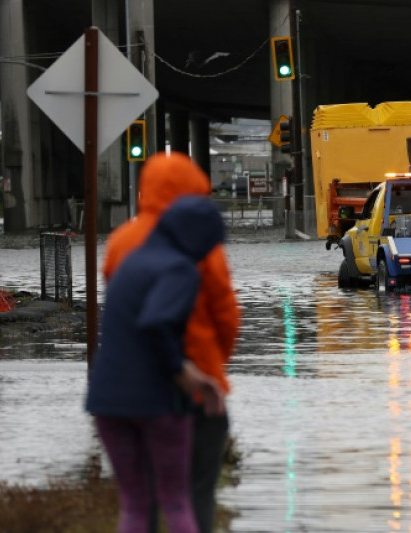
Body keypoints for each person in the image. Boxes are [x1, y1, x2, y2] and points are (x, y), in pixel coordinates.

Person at [103, 152, 241, 532]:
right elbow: (226, 313)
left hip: (134, 387)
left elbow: (120, 313)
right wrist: (214, 364)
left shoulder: (121, 242)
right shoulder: (198, 244)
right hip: (195, 388)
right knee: (194, 492)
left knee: (137, 500)